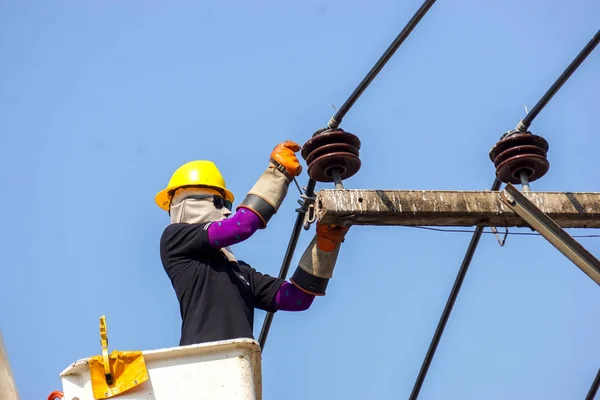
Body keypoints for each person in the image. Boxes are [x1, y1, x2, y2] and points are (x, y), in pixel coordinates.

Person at [156, 140, 350, 346]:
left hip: (239, 367)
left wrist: (326, 244)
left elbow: (297, 298)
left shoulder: (240, 274)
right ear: (187, 203)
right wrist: (278, 174)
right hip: (202, 364)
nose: (226, 211)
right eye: (220, 203)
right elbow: (242, 226)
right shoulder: (175, 239)